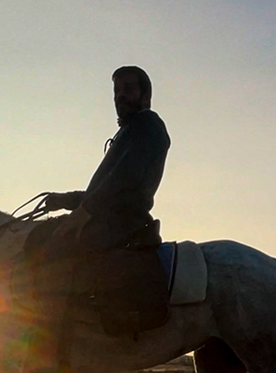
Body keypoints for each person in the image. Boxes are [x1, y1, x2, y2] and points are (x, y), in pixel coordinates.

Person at [27, 66, 172, 342]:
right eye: (116, 91)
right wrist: (66, 200)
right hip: (108, 215)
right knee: (43, 237)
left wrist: (86, 212)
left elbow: (123, 180)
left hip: (123, 220)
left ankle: (55, 338)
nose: (120, 96)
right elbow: (103, 188)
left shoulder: (148, 125)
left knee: (54, 246)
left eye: (128, 89)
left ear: (145, 95)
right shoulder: (128, 132)